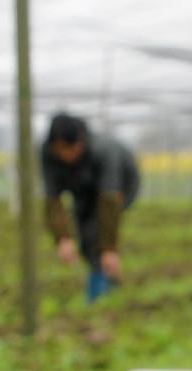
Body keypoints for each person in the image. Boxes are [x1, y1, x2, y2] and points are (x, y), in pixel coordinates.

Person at [41, 113, 140, 302]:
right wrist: (63, 237)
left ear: (81, 141)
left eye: (74, 148)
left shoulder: (103, 150)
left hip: (121, 186)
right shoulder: (48, 154)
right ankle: (108, 279)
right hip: (84, 190)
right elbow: (52, 198)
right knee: (84, 236)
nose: (70, 155)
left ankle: (99, 296)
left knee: (97, 236)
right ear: (56, 146)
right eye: (65, 150)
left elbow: (110, 199)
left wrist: (109, 248)